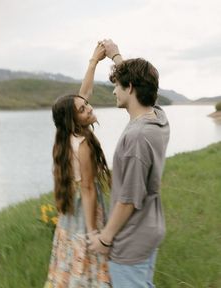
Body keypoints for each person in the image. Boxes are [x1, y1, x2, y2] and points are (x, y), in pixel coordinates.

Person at [89, 39, 170, 288]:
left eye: (117, 86)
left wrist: (105, 238)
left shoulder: (137, 137)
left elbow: (128, 199)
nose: (114, 91)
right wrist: (116, 57)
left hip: (132, 237)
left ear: (130, 88)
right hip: (150, 227)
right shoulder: (158, 117)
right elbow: (141, 85)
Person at [44, 43, 112, 287]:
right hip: (85, 210)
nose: (88, 108)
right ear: (74, 120)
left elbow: (84, 94)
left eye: (85, 105)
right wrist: (93, 231)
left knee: (71, 261)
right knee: (87, 265)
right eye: (82, 110)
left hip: (71, 211)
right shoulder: (81, 143)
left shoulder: (66, 138)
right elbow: (88, 188)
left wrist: (94, 61)